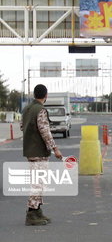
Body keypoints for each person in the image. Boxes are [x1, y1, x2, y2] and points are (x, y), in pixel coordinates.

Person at [21, 84, 62, 226]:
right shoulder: (41, 110)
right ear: (46, 95)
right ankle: (32, 213)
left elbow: (22, 127)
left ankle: (37, 210)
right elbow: (45, 131)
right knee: (38, 183)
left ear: (34, 94)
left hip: (30, 150)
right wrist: (55, 148)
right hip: (38, 151)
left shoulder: (26, 109)